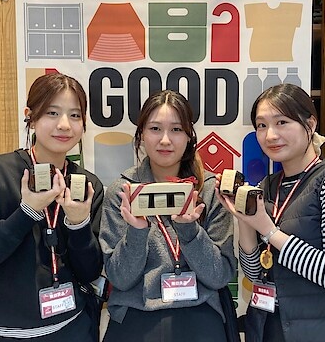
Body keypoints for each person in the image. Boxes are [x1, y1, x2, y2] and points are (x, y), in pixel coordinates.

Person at [216, 83, 325, 342]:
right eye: (261, 125)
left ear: (310, 124)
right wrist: (245, 220)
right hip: (271, 328)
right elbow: (256, 274)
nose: (271, 135)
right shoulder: (267, 186)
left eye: (282, 122)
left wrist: (268, 230)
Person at [0, 73, 104, 342]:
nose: (64, 125)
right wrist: (26, 212)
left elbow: (89, 273)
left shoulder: (87, 185)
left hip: (70, 330)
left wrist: (78, 225)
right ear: (30, 116)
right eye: (52, 112)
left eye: (75, 115)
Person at [99, 89, 238, 342]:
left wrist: (190, 231)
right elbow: (119, 278)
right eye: (155, 129)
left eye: (176, 129)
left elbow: (219, 276)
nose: (165, 140)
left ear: (189, 136)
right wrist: (137, 233)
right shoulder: (123, 191)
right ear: (141, 135)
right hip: (136, 317)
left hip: (200, 316)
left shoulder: (209, 190)